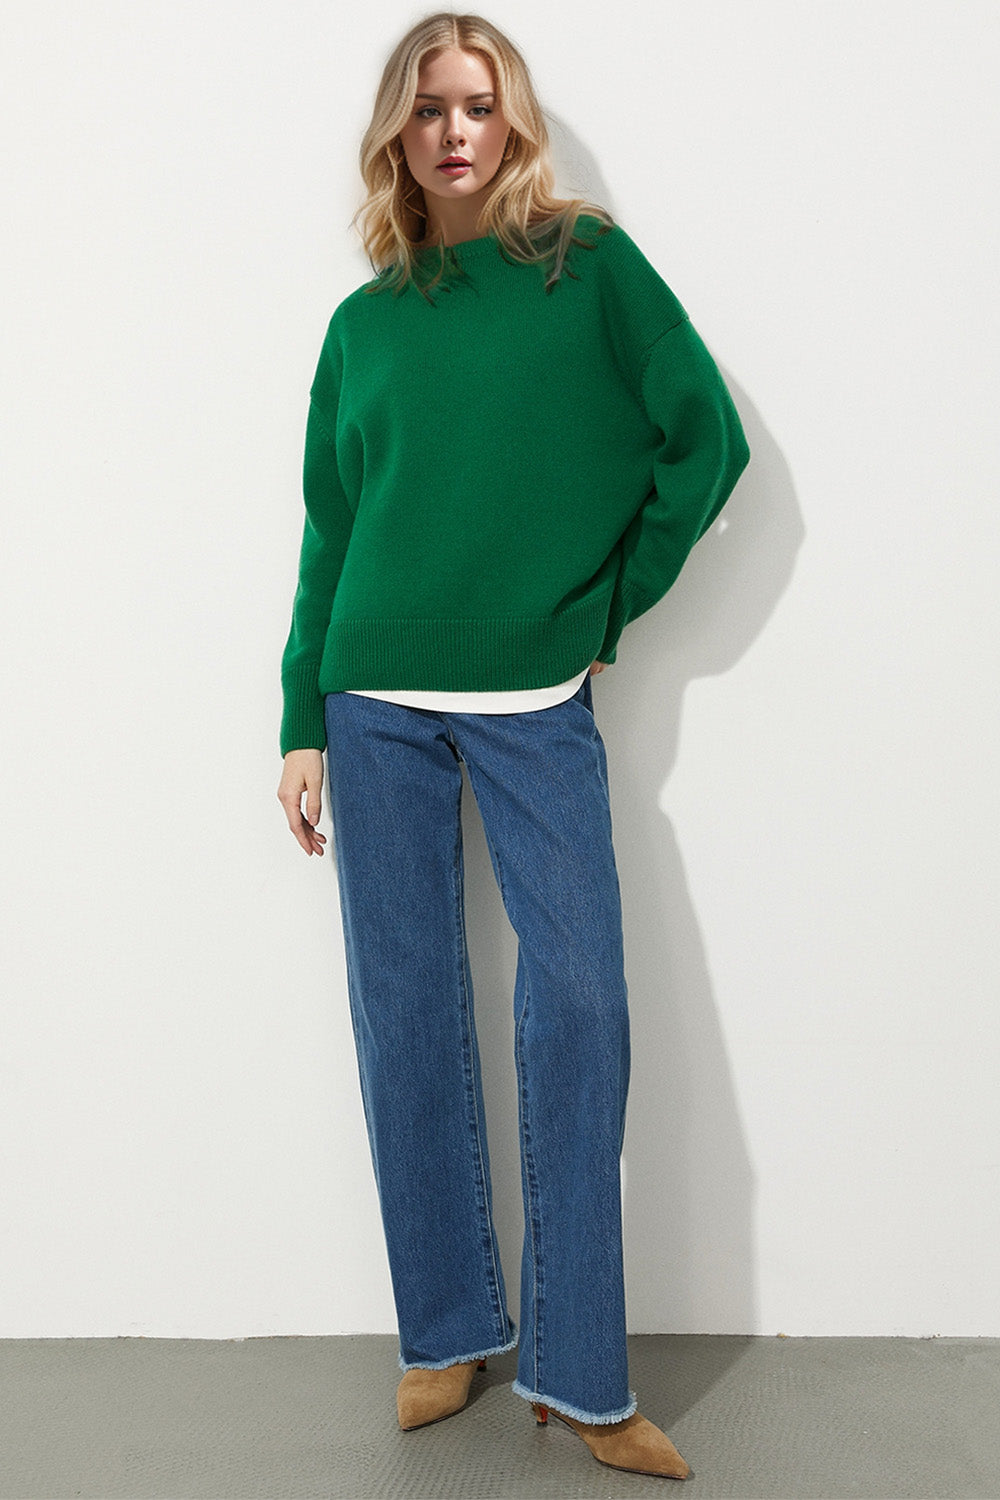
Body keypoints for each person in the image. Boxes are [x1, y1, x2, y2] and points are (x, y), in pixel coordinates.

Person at [277, 10, 749, 1482]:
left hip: (536, 695)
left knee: (582, 1007)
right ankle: (446, 1333)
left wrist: (605, 608)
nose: (455, 132)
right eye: (428, 109)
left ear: (514, 121)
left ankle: (584, 1374)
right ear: (397, 135)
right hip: (374, 700)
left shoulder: (585, 267)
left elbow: (707, 440)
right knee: (405, 1015)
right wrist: (299, 718)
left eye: (478, 105)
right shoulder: (363, 325)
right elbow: (331, 535)